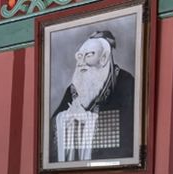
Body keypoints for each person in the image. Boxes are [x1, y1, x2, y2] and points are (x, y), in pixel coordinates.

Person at [50, 30, 135, 163]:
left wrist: (86, 120)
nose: (81, 62)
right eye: (79, 56)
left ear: (103, 58)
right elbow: (50, 128)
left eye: (89, 55)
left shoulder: (126, 82)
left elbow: (127, 130)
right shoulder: (73, 89)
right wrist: (66, 117)